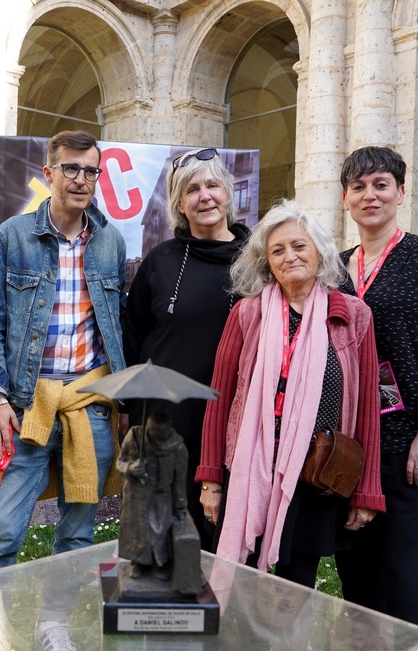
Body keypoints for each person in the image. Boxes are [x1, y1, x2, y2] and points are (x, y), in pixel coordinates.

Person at [0, 130, 126, 650]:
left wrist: (117, 400)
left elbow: (114, 325)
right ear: (49, 174)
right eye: (72, 169)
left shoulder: (110, 241)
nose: (82, 180)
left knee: (79, 533)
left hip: (88, 408)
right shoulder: (12, 237)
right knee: (1, 530)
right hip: (24, 408)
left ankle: (51, 625)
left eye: (91, 171)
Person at [195, 198, 385, 589]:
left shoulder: (352, 315)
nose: (289, 256)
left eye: (299, 246)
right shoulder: (247, 314)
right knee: (241, 586)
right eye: (277, 250)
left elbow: (367, 406)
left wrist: (367, 490)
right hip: (248, 472)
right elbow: (219, 399)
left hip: (316, 476)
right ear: (267, 262)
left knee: (295, 593)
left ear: (320, 252)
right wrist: (211, 481)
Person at [333, 146, 418, 629]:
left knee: (408, 586)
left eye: (381, 185)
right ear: (345, 199)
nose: (370, 195)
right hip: (353, 450)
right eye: (359, 187)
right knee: (358, 584)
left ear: (400, 192)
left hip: (415, 446)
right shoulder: (334, 268)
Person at [122, 147, 250, 551]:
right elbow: (133, 334)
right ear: (179, 203)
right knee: (158, 530)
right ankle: (160, 611)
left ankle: (220, 611)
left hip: (234, 419)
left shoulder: (260, 261)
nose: (205, 196)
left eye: (213, 185)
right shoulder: (160, 260)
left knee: (223, 534)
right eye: (192, 189)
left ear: (227, 193)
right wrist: (129, 412)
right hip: (165, 419)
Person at [116, 412, 190, 582]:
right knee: (137, 529)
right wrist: (132, 468)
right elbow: (120, 465)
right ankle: (139, 562)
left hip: (161, 496)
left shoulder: (178, 448)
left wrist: (181, 508)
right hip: (136, 494)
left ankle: (160, 563)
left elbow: (179, 482)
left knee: (159, 530)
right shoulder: (135, 436)